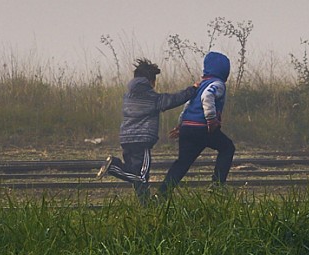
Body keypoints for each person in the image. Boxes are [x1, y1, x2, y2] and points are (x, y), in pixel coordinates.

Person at [97, 58, 196, 201]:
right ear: (151, 81)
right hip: (141, 141)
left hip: (126, 139)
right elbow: (172, 99)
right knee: (141, 177)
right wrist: (192, 90)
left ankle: (145, 205)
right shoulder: (151, 97)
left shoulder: (128, 96)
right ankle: (113, 167)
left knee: (136, 174)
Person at [160, 50, 235, 193]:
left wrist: (181, 125)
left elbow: (188, 104)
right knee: (227, 148)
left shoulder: (200, 84)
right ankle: (217, 185)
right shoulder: (217, 84)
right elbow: (207, 97)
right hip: (203, 128)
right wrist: (211, 120)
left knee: (182, 163)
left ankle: (161, 195)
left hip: (188, 128)